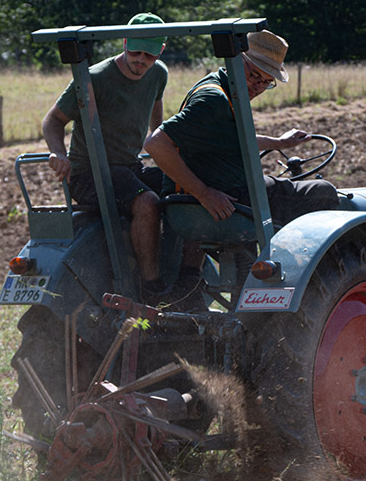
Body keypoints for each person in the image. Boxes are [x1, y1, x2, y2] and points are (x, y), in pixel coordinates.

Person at [144, 29, 339, 305]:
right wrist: (204, 193)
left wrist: (280, 143)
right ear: (237, 61)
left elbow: (233, 137)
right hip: (223, 198)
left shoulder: (223, 90)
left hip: (221, 194)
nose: (258, 86)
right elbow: (155, 144)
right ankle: (318, 291)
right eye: (254, 75)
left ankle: (193, 289)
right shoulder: (213, 100)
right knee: (322, 192)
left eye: (266, 82)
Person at [42, 11, 170, 302]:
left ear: (160, 51)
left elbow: (157, 122)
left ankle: (185, 274)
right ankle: (152, 286)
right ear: (124, 42)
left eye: (149, 55)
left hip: (129, 167)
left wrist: (168, 150)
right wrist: (58, 153)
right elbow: (53, 120)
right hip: (89, 173)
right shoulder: (95, 78)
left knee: (183, 188)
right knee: (147, 201)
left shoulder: (158, 74)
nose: (141, 60)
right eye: (135, 51)